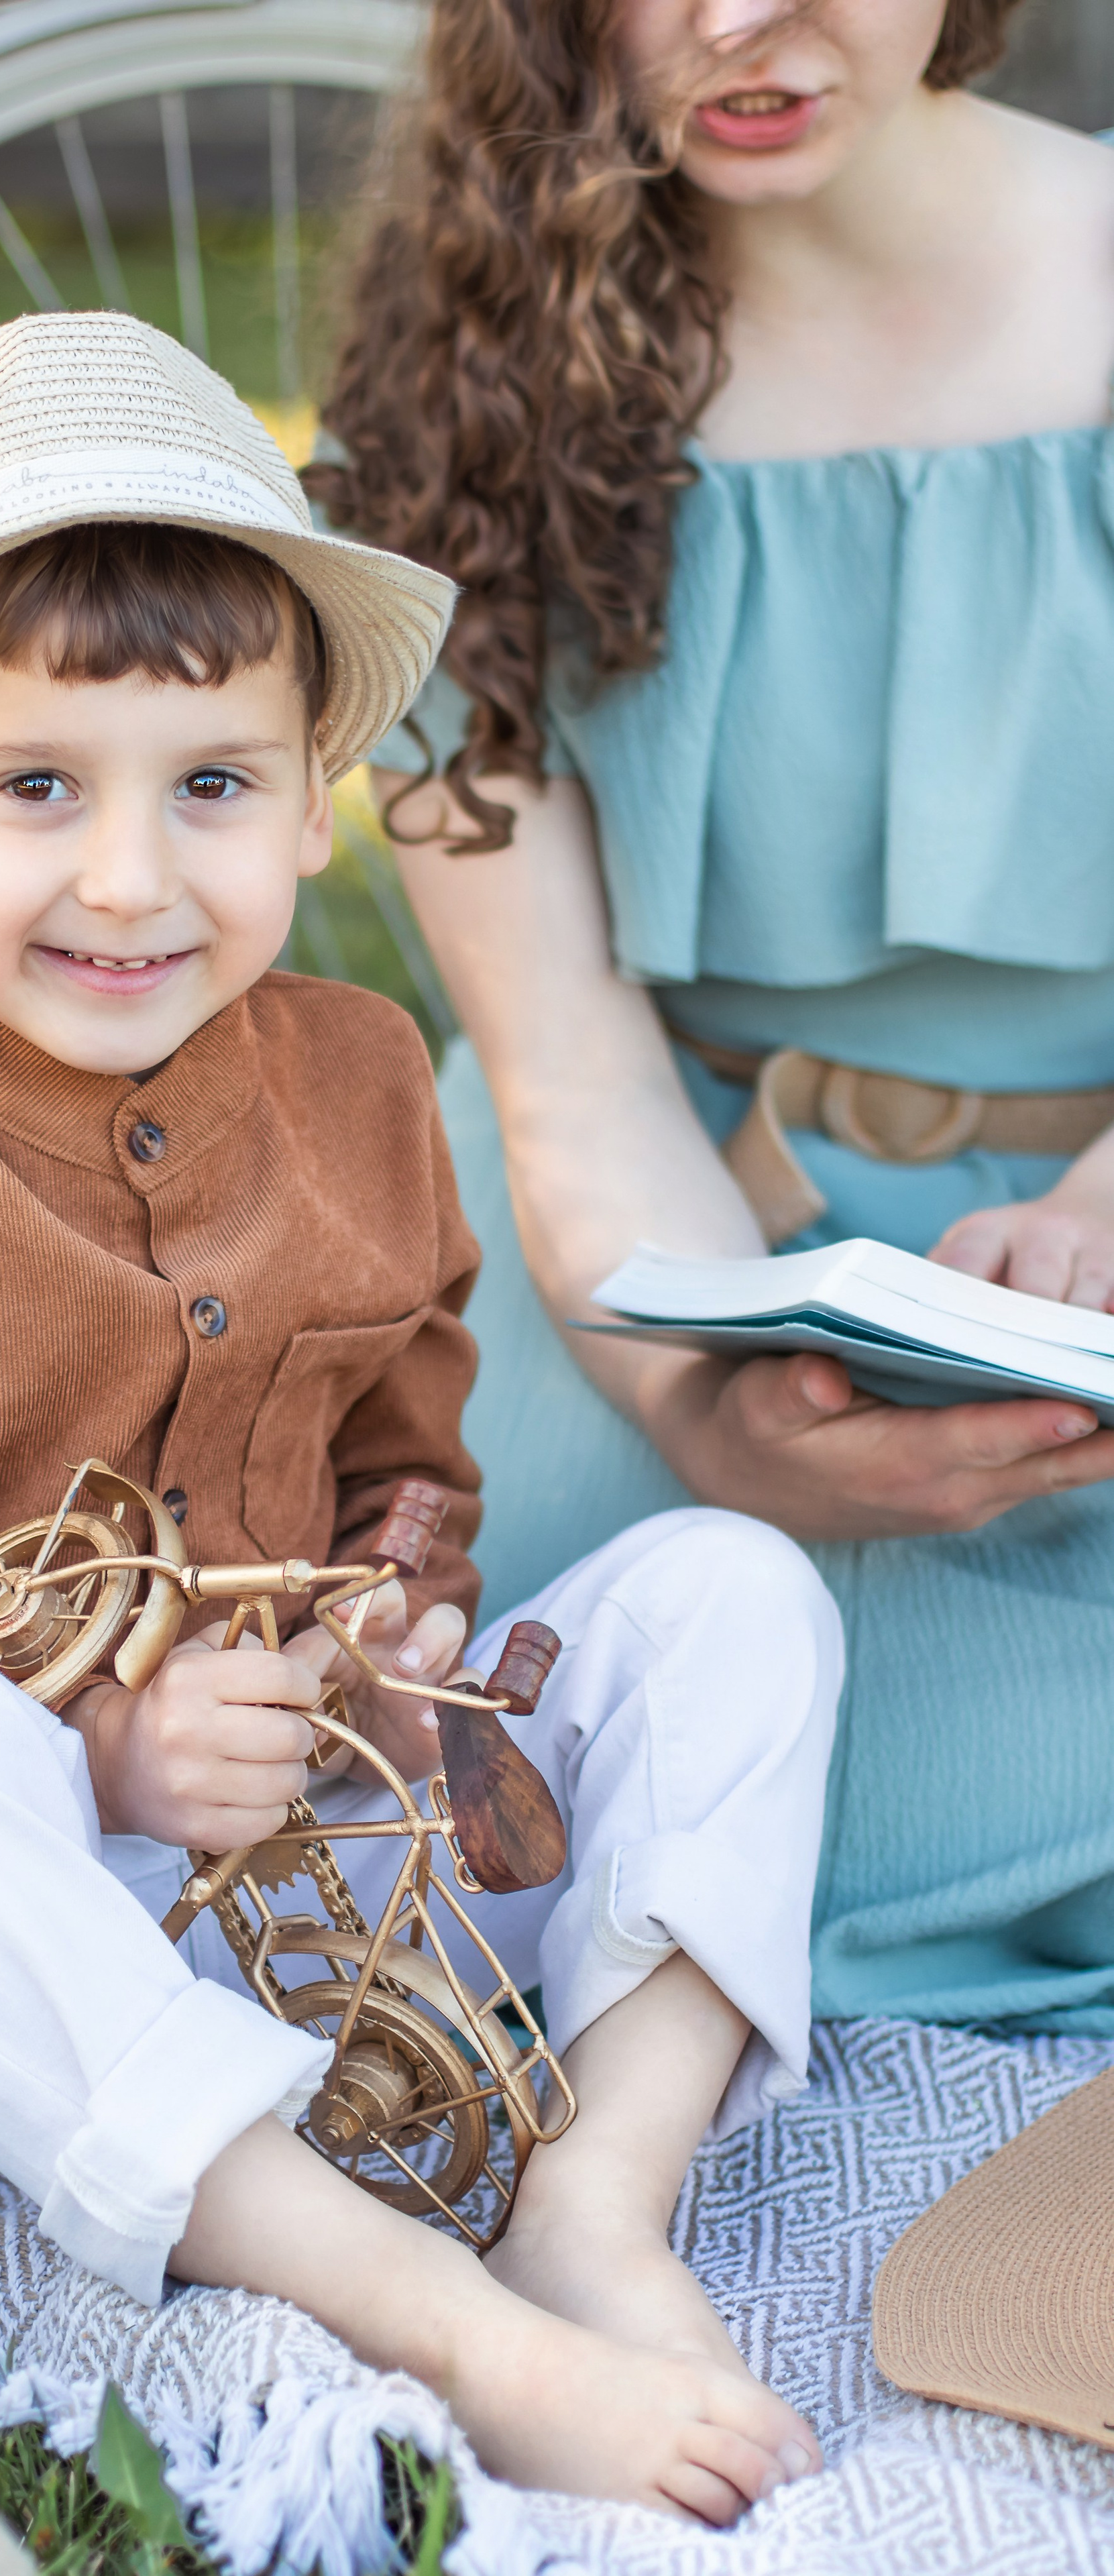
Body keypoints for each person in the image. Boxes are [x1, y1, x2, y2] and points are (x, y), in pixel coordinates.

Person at [0, 311, 837, 2522]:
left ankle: (596, 2199)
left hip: (316, 1891)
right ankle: (416, 2306)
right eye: (34, 787)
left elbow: (405, 1460)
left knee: (740, 1592)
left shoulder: (364, 1078)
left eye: (209, 784)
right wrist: (98, 1749)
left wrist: (402, 1621)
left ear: (304, 790)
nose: (130, 878)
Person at [315, 0, 1114, 2033]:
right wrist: (711, 1424)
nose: (735, 22)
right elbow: (572, 1066)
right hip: (661, 1246)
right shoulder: (472, 370)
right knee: (510, 1748)